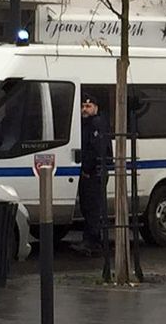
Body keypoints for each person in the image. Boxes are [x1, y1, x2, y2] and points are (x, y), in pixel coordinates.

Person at [71, 94, 112, 256]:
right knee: (87, 208)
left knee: (93, 208)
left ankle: (93, 242)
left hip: (94, 173)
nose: (84, 109)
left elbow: (97, 150)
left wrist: (87, 169)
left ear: (96, 108)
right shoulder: (85, 124)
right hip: (89, 172)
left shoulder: (97, 124)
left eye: (88, 106)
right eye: (83, 106)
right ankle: (89, 240)